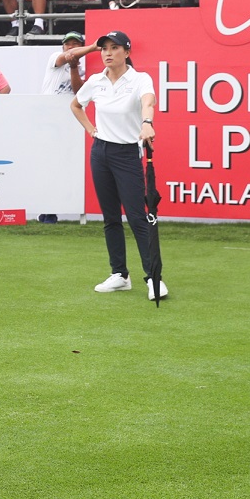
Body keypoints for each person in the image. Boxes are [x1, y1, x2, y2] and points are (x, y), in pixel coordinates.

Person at [70, 30, 164, 299]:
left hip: (126, 154)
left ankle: (154, 278)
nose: (107, 53)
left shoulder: (139, 79)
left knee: (137, 217)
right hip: (100, 153)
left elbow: (148, 102)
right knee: (110, 217)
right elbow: (76, 105)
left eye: (114, 48)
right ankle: (120, 274)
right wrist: (91, 129)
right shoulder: (96, 81)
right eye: (104, 49)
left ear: (127, 52)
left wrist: (147, 123)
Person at [41, 31, 95, 96]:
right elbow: (70, 53)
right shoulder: (55, 56)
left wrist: (74, 67)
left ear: (82, 46)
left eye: (75, 43)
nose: (70, 47)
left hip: (69, 102)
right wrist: (93, 47)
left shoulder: (83, 71)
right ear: (63, 47)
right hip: (49, 101)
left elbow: (79, 92)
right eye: (67, 44)